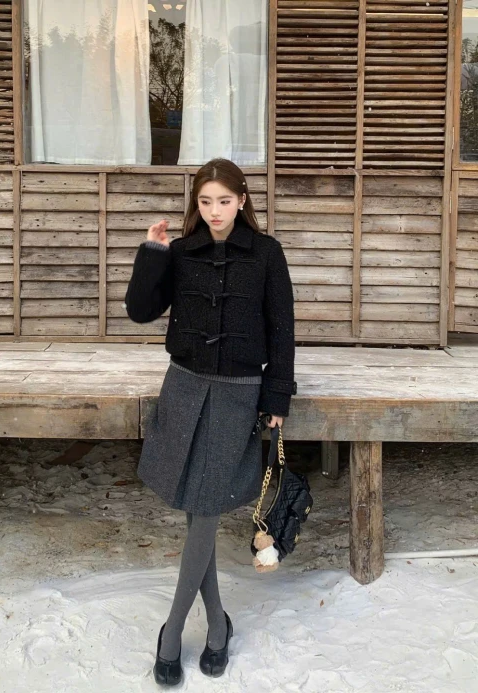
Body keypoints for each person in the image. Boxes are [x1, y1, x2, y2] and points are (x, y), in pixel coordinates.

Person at [125, 157, 296, 686]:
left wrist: (277, 395)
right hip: (184, 386)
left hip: (237, 392)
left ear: (242, 200)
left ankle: (173, 631)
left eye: (224, 200)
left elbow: (282, 328)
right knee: (195, 506)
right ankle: (217, 626)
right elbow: (139, 310)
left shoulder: (266, 253)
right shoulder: (180, 252)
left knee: (203, 509)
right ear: (195, 205)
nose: (215, 211)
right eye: (205, 202)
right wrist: (153, 252)